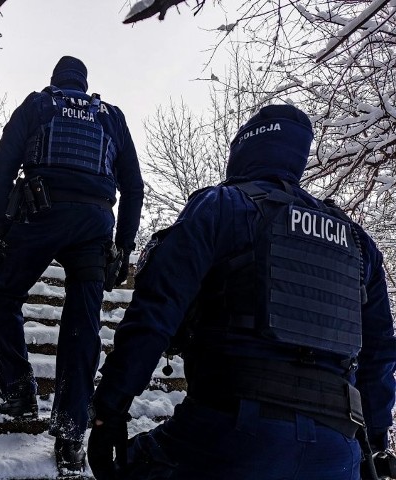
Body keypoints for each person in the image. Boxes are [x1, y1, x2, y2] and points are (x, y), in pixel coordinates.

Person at [87, 104, 396, 479]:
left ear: (243, 152)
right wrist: (375, 443)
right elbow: (380, 352)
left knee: (130, 467)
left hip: (230, 433)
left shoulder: (221, 206)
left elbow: (156, 312)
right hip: (338, 448)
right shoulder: (358, 241)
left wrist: (110, 409)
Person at [0, 55, 144, 474]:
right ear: (84, 83)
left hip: (41, 215)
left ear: (56, 80)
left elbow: (3, 163)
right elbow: (133, 186)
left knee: (4, 292)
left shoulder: (39, 104)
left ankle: (18, 389)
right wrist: (123, 248)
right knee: (82, 324)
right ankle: (72, 435)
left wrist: (5, 224)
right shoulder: (110, 116)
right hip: (94, 227)